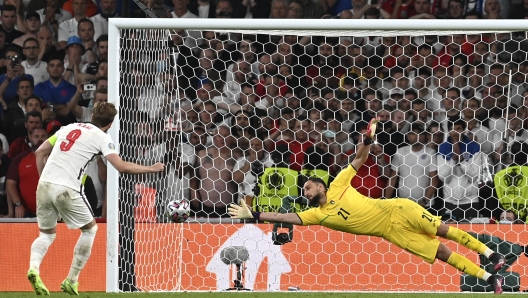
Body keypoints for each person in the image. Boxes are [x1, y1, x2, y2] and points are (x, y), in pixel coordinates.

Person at [229, 118, 506, 294]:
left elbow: (359, 159)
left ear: (322, 187)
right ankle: (488, 278)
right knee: (442, 253)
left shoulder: (337, 183)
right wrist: (252, 213)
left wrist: (368, 140)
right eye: (304, 189)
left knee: (444, 230)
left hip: (396, 208)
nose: (305, 190)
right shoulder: (316, 215)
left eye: (309, 186)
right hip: (392, 232)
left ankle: (489, 253)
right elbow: (283, 215)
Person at [26, 102, 164, 295]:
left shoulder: (69, 127)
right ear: (110, 123)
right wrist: (152, 168)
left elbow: (40, 152)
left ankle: (33, 268)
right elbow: (122, 167)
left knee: (46, 235)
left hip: (44, 185)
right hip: (66, 187)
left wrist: (45, 181)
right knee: (90, 230)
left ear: (92, 117)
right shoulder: (102, 137)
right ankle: (71, 280)